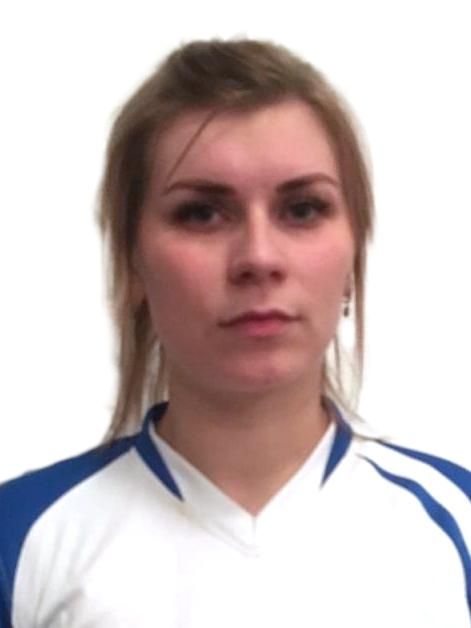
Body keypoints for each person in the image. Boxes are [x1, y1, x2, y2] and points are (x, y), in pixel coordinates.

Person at [0, 38, 469, 628]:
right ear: (131, 261)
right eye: (201, 213)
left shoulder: (456, 523)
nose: (259, 257)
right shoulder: (21, 542)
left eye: (302, 209)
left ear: (354, 253)